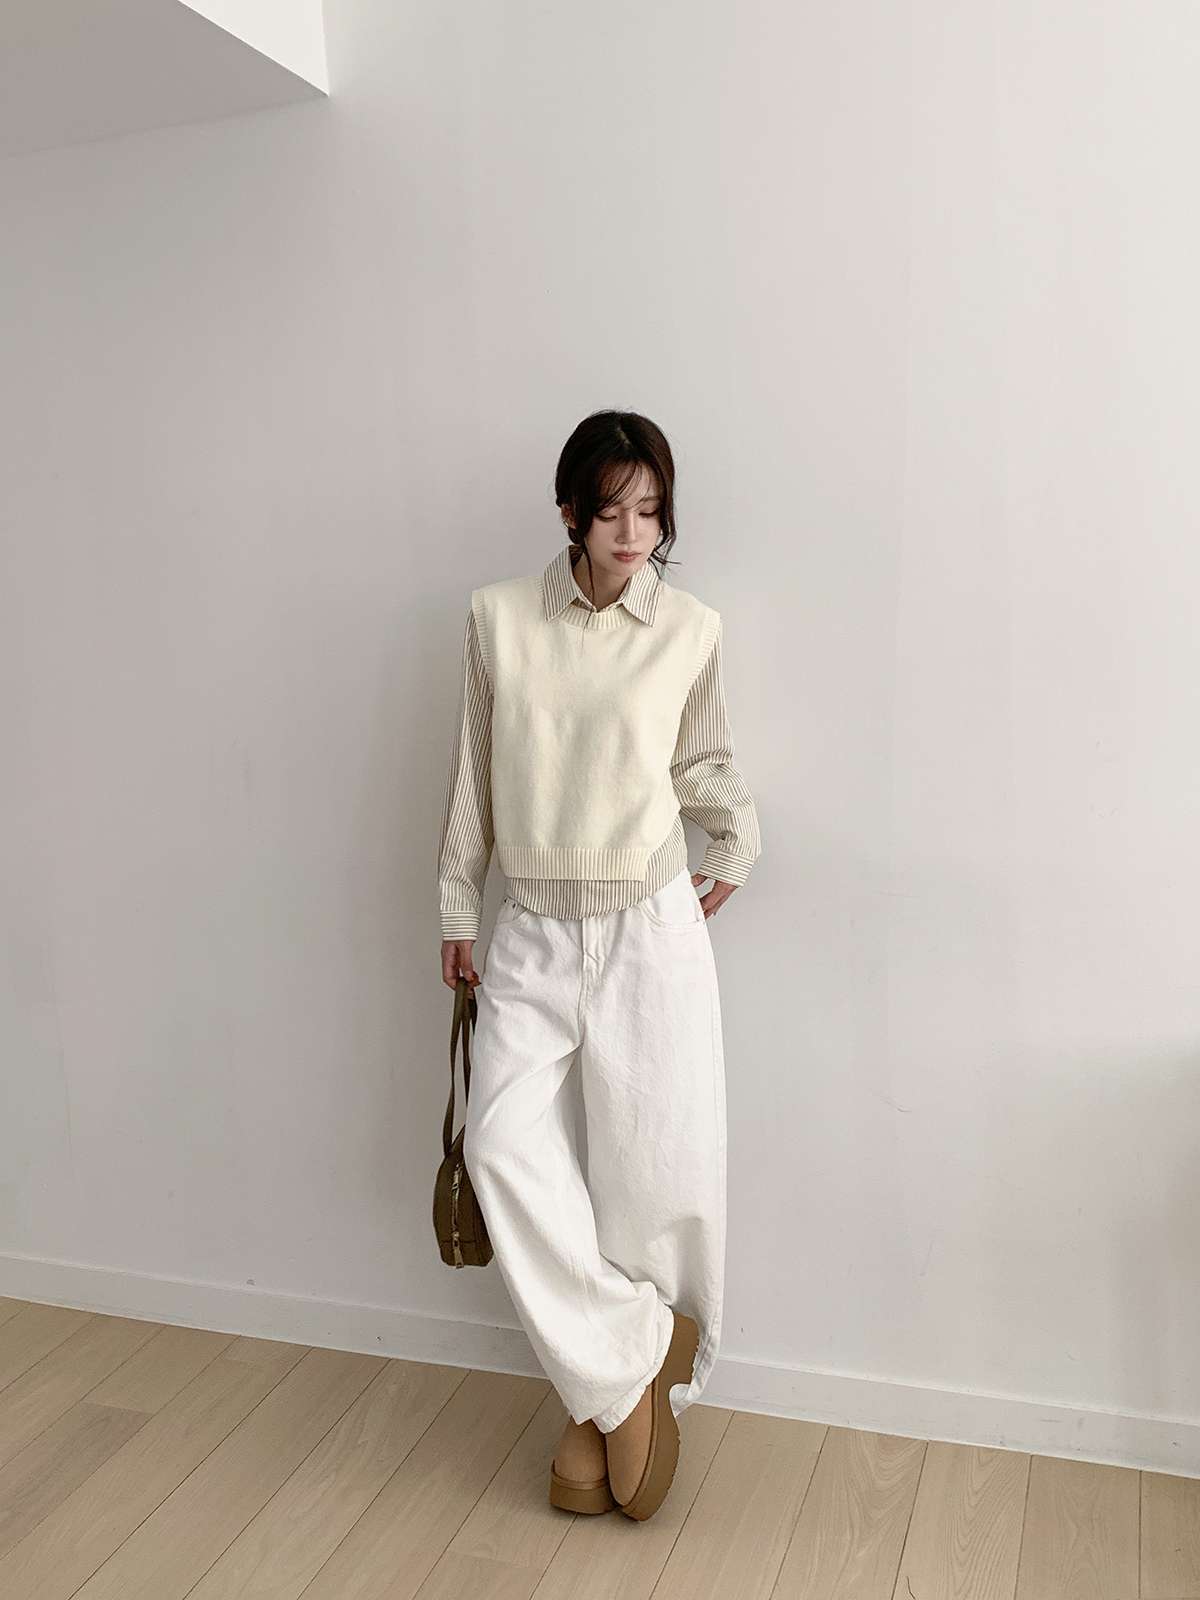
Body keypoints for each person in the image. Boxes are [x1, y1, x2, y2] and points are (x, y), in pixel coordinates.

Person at [436, 409, 762, 1523]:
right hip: (530, 924)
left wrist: (738, 840)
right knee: (500, 1144)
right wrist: (456, 902)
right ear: (570, 510)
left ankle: (603, 1400)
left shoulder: (691, 628)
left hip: (647, 923)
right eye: (613, 510)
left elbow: (703, 760)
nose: (634, 533)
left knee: (652, 1173)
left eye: (652, 511)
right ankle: (633, 1362)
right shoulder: (496, 619)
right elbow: (475, 774)